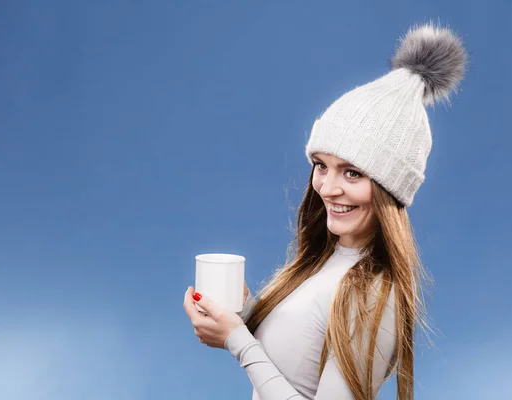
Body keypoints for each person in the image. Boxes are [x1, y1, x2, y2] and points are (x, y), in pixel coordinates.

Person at [183, 22, 467, 400]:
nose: (328, 188)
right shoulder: (327, 260)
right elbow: (297, 352)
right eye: (321, 165)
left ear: (390, 188)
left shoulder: (373, 293)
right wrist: (246, 315)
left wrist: (238, 341)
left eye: (352, 172)